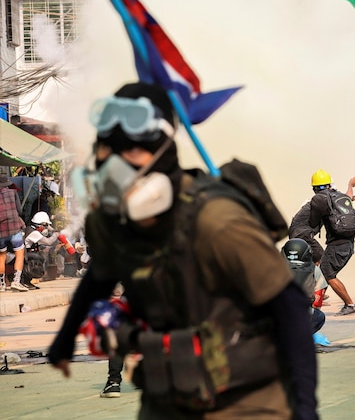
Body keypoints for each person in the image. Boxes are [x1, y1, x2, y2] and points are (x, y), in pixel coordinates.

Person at [47, 82, 318, 419]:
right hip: (167, 399)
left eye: (132, 152)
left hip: (245, 401)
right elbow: (100, 275)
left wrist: (306, 409)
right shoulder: (111, 223)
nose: (115, 166)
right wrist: (63, 339)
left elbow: (289, 308)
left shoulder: (217, 219)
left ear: (164, 153)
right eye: (108, 151)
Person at [307, 169, 355, 316]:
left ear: (315, 188)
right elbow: (348, 202)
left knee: (328, 275)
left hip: (337, 245)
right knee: (323, 273)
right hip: (348, 243)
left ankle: (350, 304)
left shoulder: (318, 199)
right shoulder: (340, 196)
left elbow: (312, 222)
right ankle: (315, 304)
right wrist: (349, 185)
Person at [0, 174, 27, 292]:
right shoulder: (13, 192)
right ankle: (16, 281)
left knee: (1, 256)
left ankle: (1, 284)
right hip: (14, 228)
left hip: (0, 230)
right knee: (19, 253)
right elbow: (19, 210)